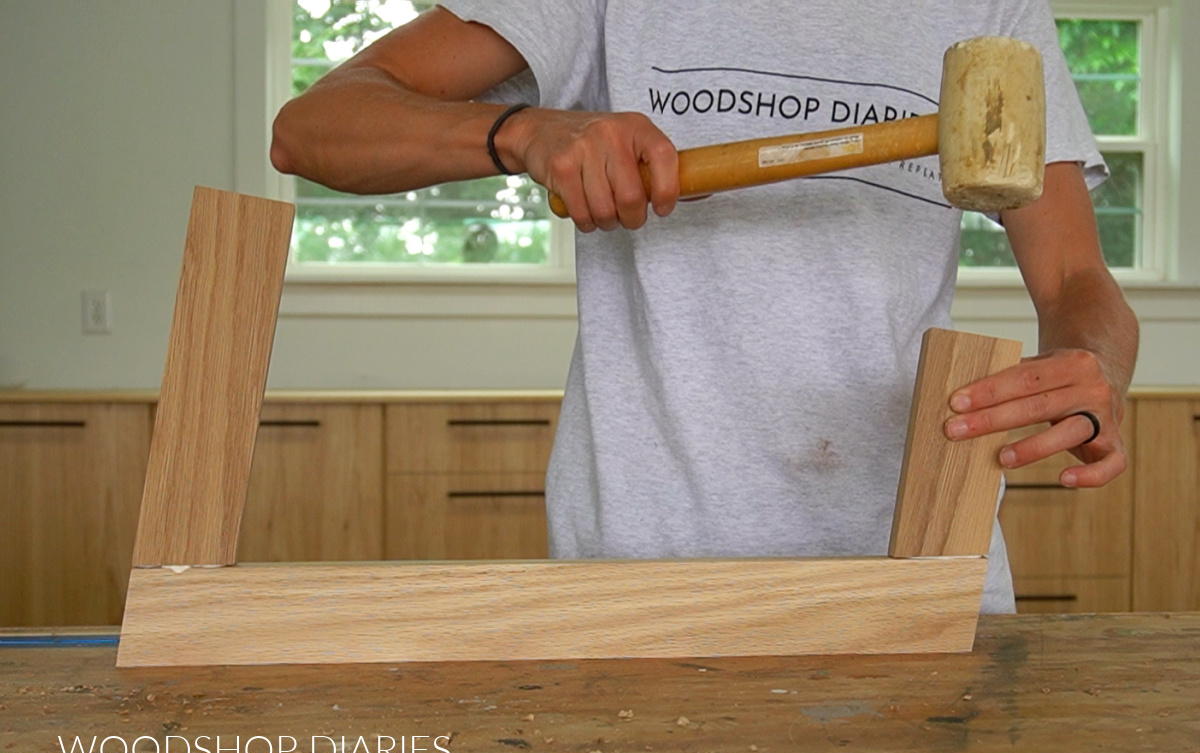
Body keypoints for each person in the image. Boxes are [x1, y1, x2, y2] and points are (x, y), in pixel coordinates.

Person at [270, 1, 1139, 613]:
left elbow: (1075, 285)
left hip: (918, 571)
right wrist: (527, 132)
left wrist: (1094, 367)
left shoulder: (989, 7)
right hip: (645, 583)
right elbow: (312, 128)